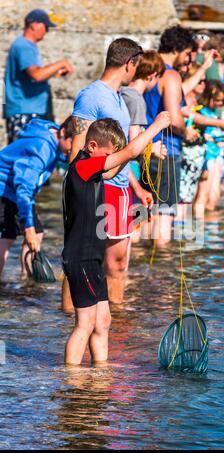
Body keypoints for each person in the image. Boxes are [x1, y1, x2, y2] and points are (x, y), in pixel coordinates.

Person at [63, 112, 170, 365]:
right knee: (85, 324)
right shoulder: (82, 166)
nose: (110, 160)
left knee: (103, 321)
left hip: (93, 257)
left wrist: (130, 169)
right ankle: (71, 379)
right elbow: (130, 151)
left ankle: (100, 371)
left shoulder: (92, 169)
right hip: (81, 257)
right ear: (92, 147)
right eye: (109, 154)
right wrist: (156, 126)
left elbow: (112, 171)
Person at [62, 37, 152, 312]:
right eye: (136, 66)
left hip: (121, 187)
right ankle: (72, 320)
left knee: (118, 262)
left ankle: (113, 325)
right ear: (129, 64)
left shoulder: (119, 98)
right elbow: (78, 152)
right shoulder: (92, 96)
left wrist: (136, 186)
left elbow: (120, 150)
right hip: (99, 188)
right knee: (83, 257)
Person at [143, 26, 202, 247]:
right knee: (165, 215)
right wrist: (187, 132)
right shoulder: (170, 75)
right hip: (167, 151)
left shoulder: (145, 68)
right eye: (188, 53)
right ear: (178, 49)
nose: (188, 59)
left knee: (143, 213)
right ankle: (161, 272)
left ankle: (139, 268)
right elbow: (175, 119)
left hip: (144, 147)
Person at [0, 116, 73, 276]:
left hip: (16, 189)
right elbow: (23, 188)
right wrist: (28, 228)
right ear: (62, 132)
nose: (72, 152)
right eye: (72, 145)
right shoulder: (41, 148)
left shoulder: (53, 137)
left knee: (37, 233)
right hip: (4, 187)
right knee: (7, 237)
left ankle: (26, 279)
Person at [4, 9, 73, 143]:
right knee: (25, 158)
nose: (47, 30)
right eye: (45, 26)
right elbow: (37, 75)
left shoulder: (27, 46)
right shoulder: (24, 46)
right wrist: (61, 63)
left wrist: (54, 72)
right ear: (34, 24)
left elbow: (36, 75)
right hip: (24, 112)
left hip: (28, 111)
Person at [120, 50, 166, 241]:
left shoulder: (120, 92)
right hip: (130, 169)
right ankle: (135, 269)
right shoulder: (137, 100)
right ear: (152, 75)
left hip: (117, 167)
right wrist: (152, 149)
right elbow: (133, 143)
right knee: (134, 227)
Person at [196, 80, 224, 211]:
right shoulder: (201, 112)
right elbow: (201, 135)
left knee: (214, 196)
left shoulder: (214, 114)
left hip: (217, 156)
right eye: (217, 100)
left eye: (222, 101)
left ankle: (211, 228)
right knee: (203, 195)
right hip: (207, 157)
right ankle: (198, 229)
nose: (220, 104)